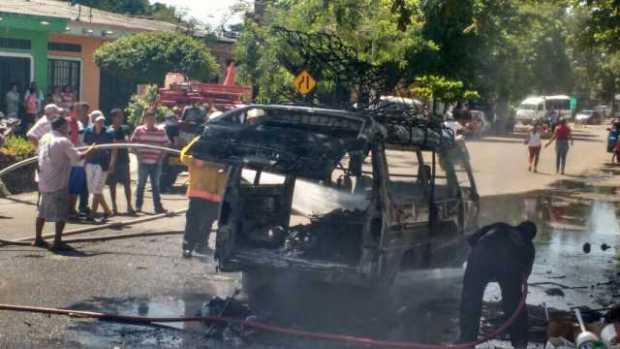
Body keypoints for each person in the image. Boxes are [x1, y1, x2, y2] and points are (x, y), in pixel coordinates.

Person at [459, 221, 537, 349]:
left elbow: (471, 240)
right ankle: (520, 342)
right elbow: (526, 273)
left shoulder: (499, 226)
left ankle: (466, 341)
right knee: (514, 303)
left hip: (479, 257)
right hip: (508, 264)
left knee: (470, 301)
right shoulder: (528, 246)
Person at [34, 117, 93, 249]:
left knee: (42, 211)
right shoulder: (63, 141)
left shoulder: (45, 138)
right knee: (61, 212)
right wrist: (91, 150)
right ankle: (57, 241)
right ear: (61, 127)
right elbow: (78, 157)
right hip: (57, 182)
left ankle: (38, 238)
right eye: (67, 126)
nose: (69, 129)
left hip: (44, 180)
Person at [180, 136, 228, 257]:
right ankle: (188, 246)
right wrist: (199, 162)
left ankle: (201, 245)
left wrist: (224, 165)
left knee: (209, 220)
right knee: (194, 220)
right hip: (199, 189)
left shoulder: (226, 144)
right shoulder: (200, 141)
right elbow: (184, 157)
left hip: (216, 192)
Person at [130, 109, 169, 213]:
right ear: (145, 119)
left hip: (156, 162)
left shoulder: (161, 131)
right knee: (141, 184)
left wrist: (160, 158)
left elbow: (166, 145)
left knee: (155, 185)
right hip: (143, 161)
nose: (151, 120)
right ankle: (138, 206)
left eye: (153, 118)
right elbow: (132, 145)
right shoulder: (139, 130)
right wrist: (138, 155)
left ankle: (157, 207)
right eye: (149, 118)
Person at [83, 111, 113, 220]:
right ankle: (107, 210)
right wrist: (85, 161)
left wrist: (111, 163)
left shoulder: (109, 132)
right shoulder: (88, 131)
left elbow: (113, 149)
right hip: (90, 162)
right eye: (98, 121)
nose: (100, 123)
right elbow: (86, 146)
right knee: (94, 189)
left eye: (102, 121)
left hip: (102, 164)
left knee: (96, 189)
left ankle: (92, 213)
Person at [107, 108, 135, 215]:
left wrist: (119, 142)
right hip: (113, 161)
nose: (121, 118)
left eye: (122, 116)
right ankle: (114, 206)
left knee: (127, 184)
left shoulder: (125, 129)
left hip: (124, 160)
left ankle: (129, 205)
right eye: (119, 116)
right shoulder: (108, 130)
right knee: (112, 185)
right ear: (113, 118)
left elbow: (128, 142)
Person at [66, 103, 90, 219]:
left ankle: (72, 209)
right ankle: (66, 209)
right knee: (67, 186)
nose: (80, 112)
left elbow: (81, 141)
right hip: (67, 161)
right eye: (77, 110)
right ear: (70, 111)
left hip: (78, 160)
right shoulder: (65, 123)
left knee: (76, 186)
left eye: (80, 110)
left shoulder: (80, 124)